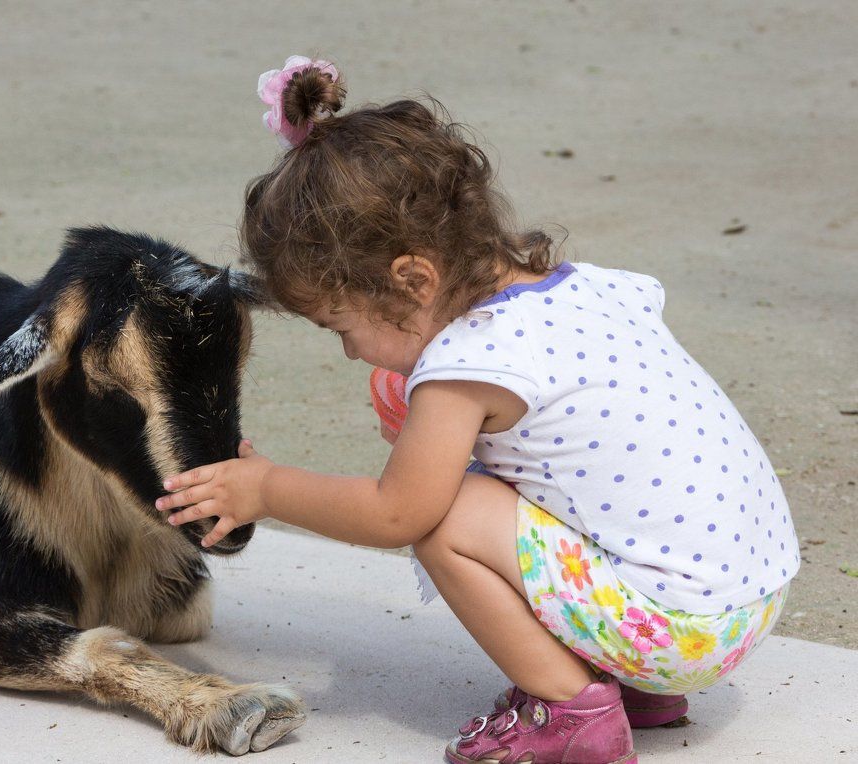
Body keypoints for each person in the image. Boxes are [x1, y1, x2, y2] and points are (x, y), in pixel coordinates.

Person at [154, 56, 800, 763]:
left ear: (412, 278)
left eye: (341, 327)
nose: (348, 353)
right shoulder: (579, 291)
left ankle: (573, 712)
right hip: (748, 595)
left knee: (448, 515)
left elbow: (396, 513)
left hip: (683, 629)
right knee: (500, 491)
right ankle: (623, 671)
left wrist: (267, 488)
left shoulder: (466, 368)